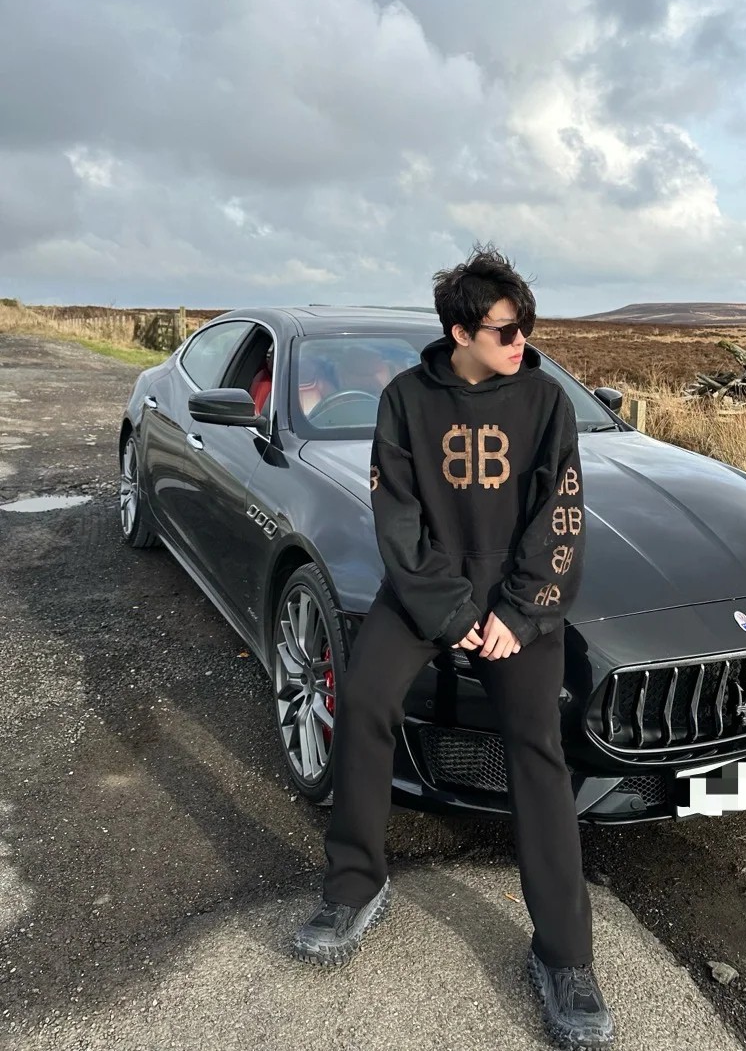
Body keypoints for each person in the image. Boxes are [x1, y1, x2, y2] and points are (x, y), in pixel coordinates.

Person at [290, 243, 615, 1047]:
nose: (521, 342)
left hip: (515, 602)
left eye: (526, 326)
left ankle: (565, 956)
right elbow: (396, 519)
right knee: (364, 701)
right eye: (507, 330)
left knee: (536, 747)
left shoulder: (545, 400)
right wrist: (447, 610)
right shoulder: (405, 400)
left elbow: (560, 516)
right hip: (425, 591)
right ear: (460, 332)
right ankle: (354, 886)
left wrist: (519, 611)